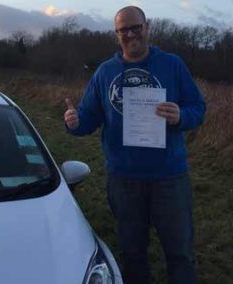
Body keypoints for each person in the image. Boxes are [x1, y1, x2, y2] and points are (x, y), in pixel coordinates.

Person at [64, 6, 205, 284]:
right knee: (133, 254)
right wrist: (74, 122)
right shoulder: (105, 72)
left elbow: (198, 108)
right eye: (123, 30)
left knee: (180, 254)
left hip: (169, 178)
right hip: (124, 179)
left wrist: (181, 116)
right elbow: (89, 118)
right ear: (116, 34)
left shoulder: (172, 64)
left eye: (135, 27)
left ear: (146, 27)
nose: (130, 34)